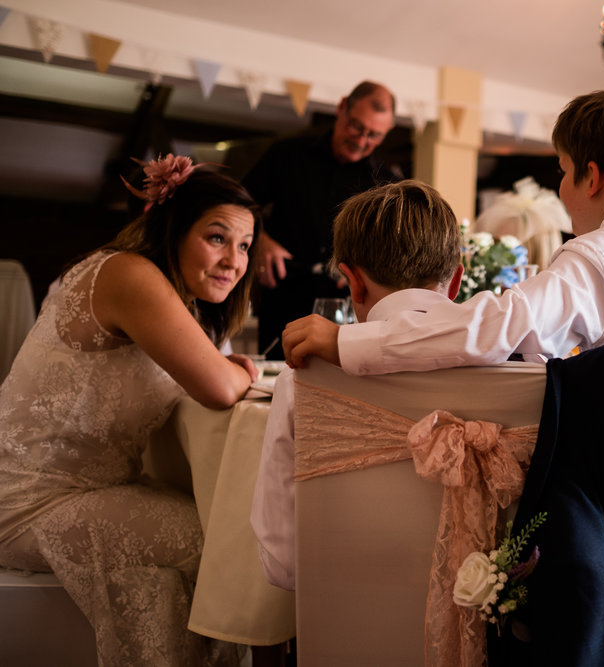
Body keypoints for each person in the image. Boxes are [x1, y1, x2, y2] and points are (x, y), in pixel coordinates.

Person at [283, 88, 604, 666]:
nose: (560, 191)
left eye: (561, 172)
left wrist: (348, 339)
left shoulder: (598, 257)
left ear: (591, 177)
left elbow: (494, 330)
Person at [0, 154, 261, 666]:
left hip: (91, 488)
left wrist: (226, 367)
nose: (235, 259)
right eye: (217, 237)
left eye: (246, 245)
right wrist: (239, 371)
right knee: (222, 542)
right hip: (30, 500)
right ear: (174, 228)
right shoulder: (129, 274)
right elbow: (219, 389)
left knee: (186, 550)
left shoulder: (159, 290)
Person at [251, 179, 464, 590]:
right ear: (455, 281)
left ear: (353, 281)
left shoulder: (304, 382)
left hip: (339, 625)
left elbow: (283, 564)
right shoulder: (519, 364)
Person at [243, 80, 399, 359]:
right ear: (341, 108)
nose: (362, 141)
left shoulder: (387, 184)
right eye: (356, 126)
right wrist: (259, 238)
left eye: (374, 135)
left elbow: (392, 247)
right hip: (283, 296)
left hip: (346, 309)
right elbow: (237, 204)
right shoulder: (285, 155)